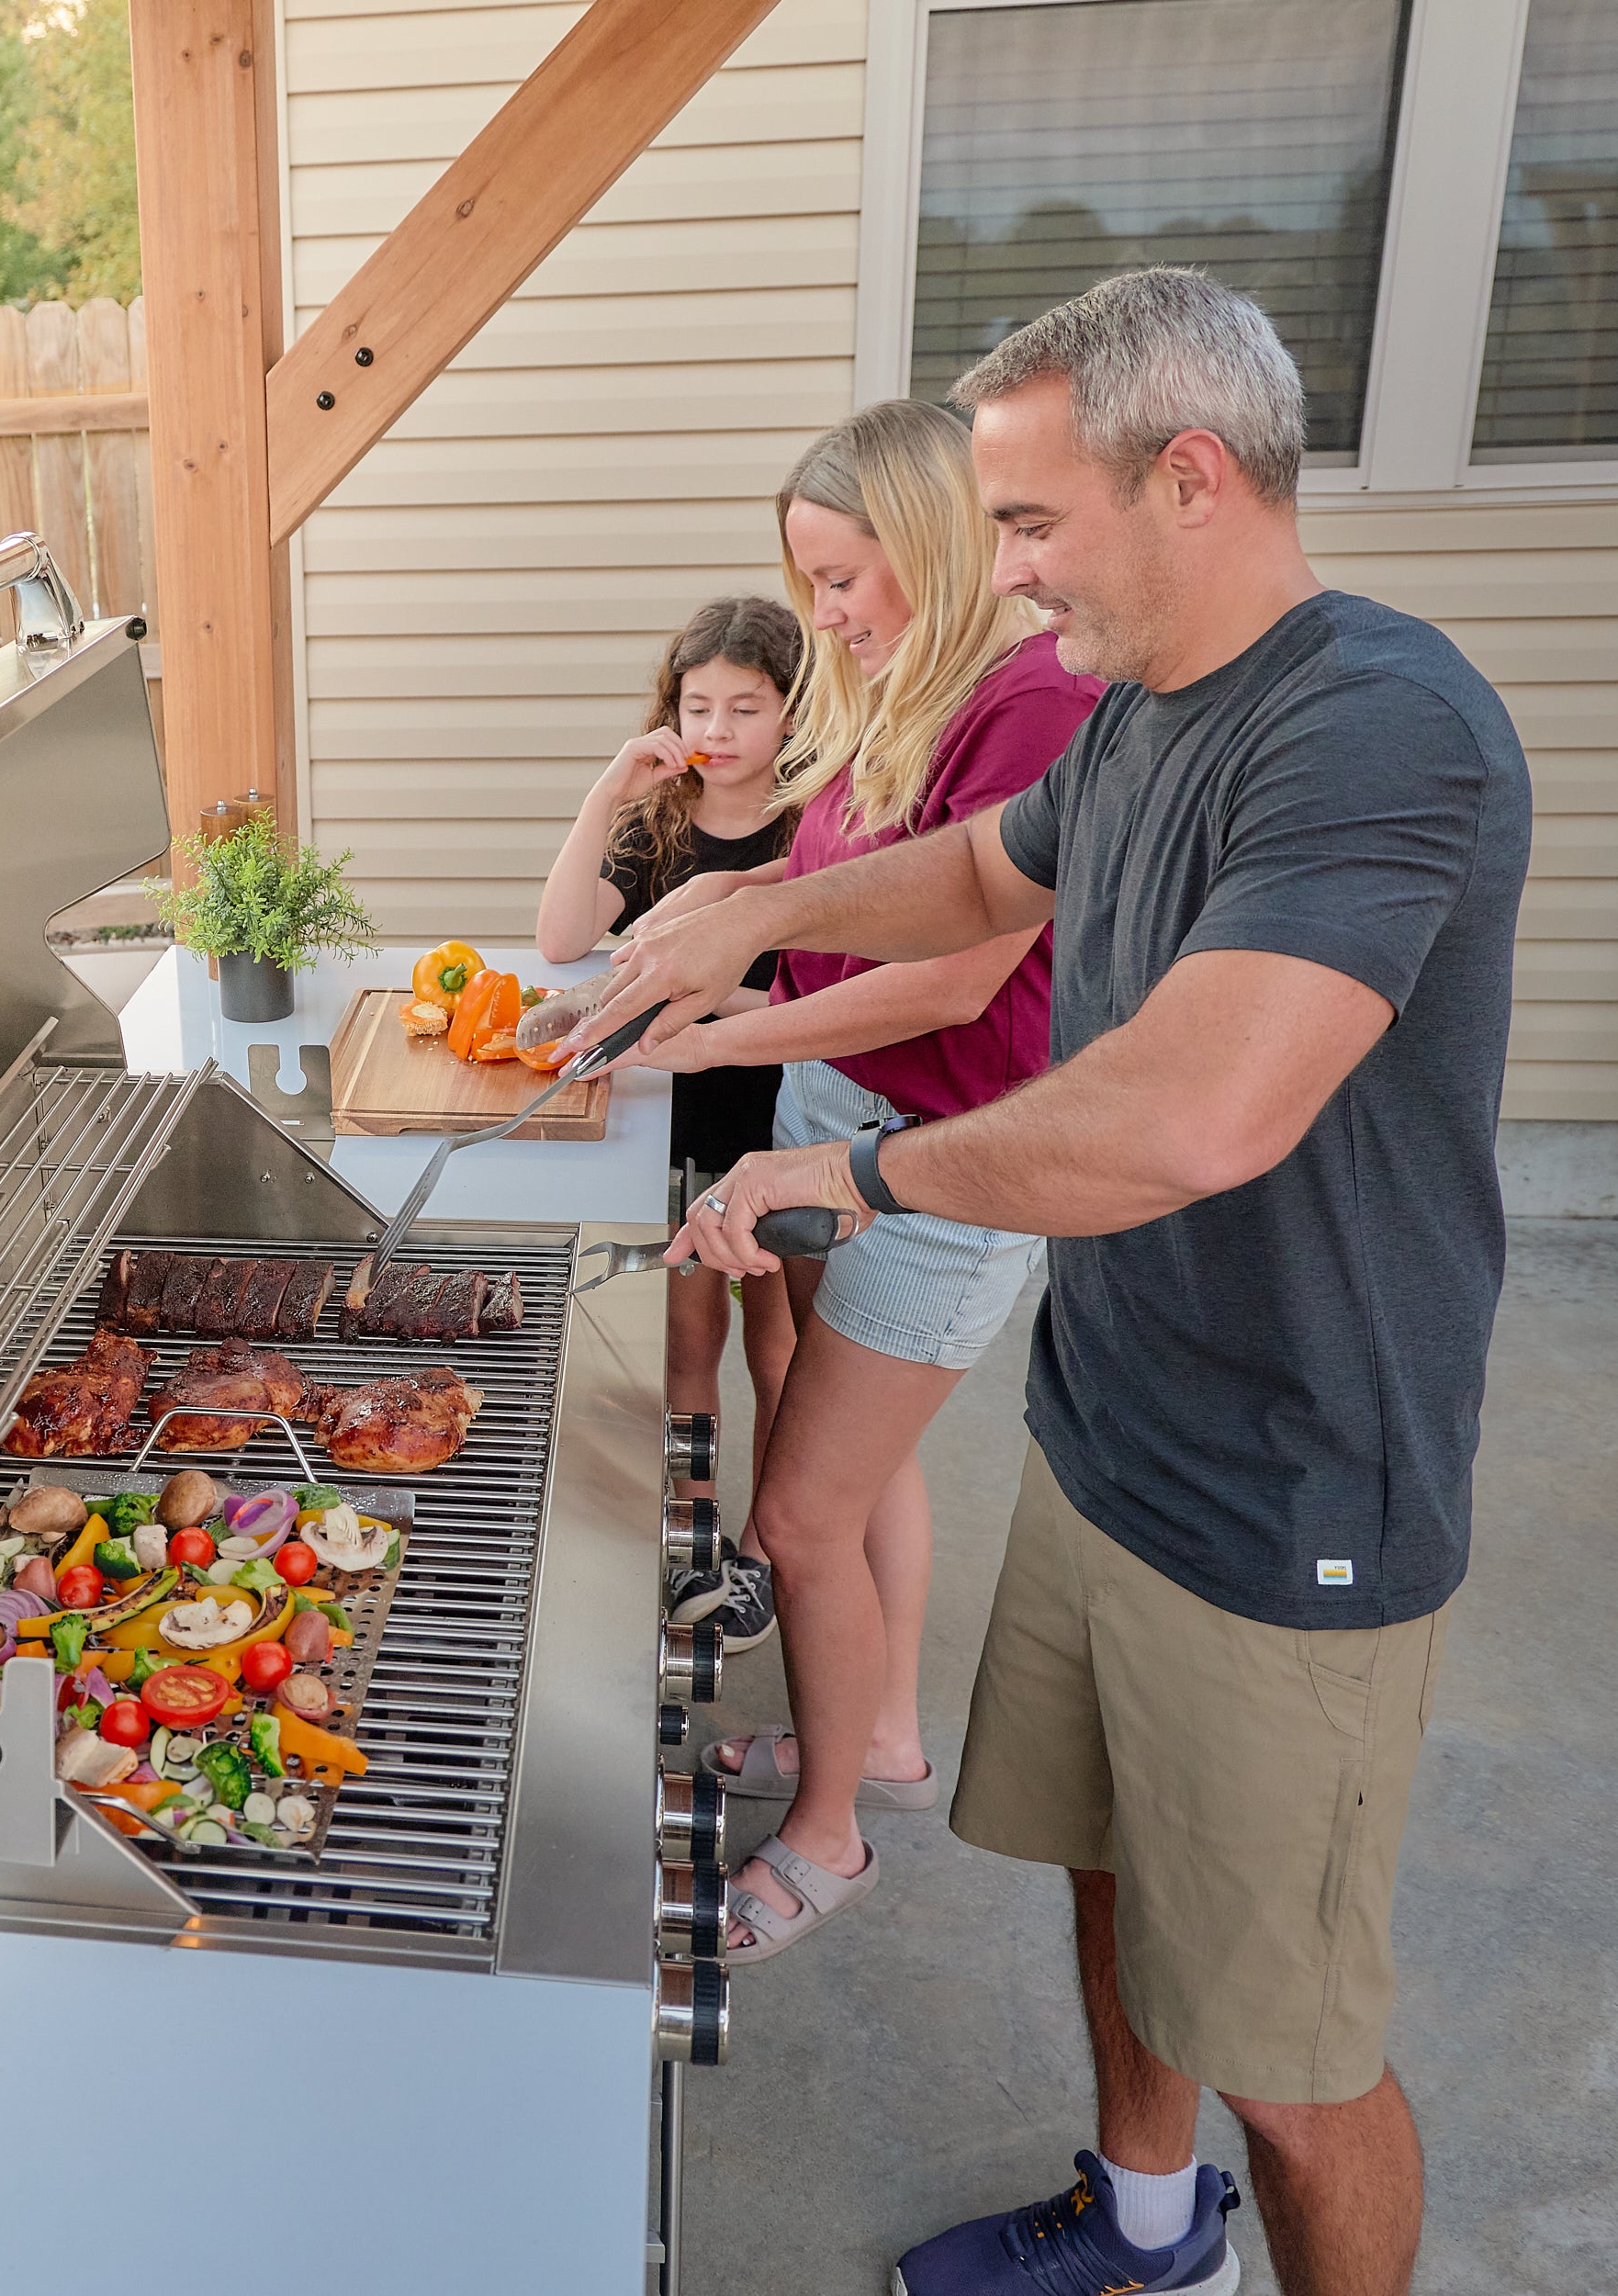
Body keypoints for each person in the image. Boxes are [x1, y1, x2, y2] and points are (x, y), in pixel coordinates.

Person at [587, 268, 1527, 2296]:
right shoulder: (1136, 730)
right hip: (1115, 1433)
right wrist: (737, 913)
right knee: (1117, 1880)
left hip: (1294, 1495)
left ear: (1185, 476)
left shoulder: (1372, 724)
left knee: (1288, 2048)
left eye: (1026, 524)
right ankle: (1140, 2217)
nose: (1000, 578)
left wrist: (853, 1164)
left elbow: (1194, 1113)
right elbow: (970, 876)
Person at [616, 401, 1100, 1962]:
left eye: (842, 579)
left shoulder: (1027, 705)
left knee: (801, 1518)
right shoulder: (907, 681)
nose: (823, 615)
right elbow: (834, 899)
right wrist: (723, 973)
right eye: (809, 582)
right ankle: (871, 1738)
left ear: (933, 542)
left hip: (942, 1165)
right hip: (841, 1110)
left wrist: (717, 1027)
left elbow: (957, 980)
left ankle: (828, 1843)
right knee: (856, 1460)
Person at [536, 595, 805, 1525]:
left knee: (781, 1350)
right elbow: (562, 933)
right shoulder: (657, 821)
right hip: (673, 1129)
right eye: (698, 707)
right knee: (687, 1341)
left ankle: (766, 1550)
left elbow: (818, 1007)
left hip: (778, 1122)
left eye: (745, 707)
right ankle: (691, 1532)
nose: (717, 729)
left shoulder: (812, 831)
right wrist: (606, 790)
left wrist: (695, 993)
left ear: (791, 709)